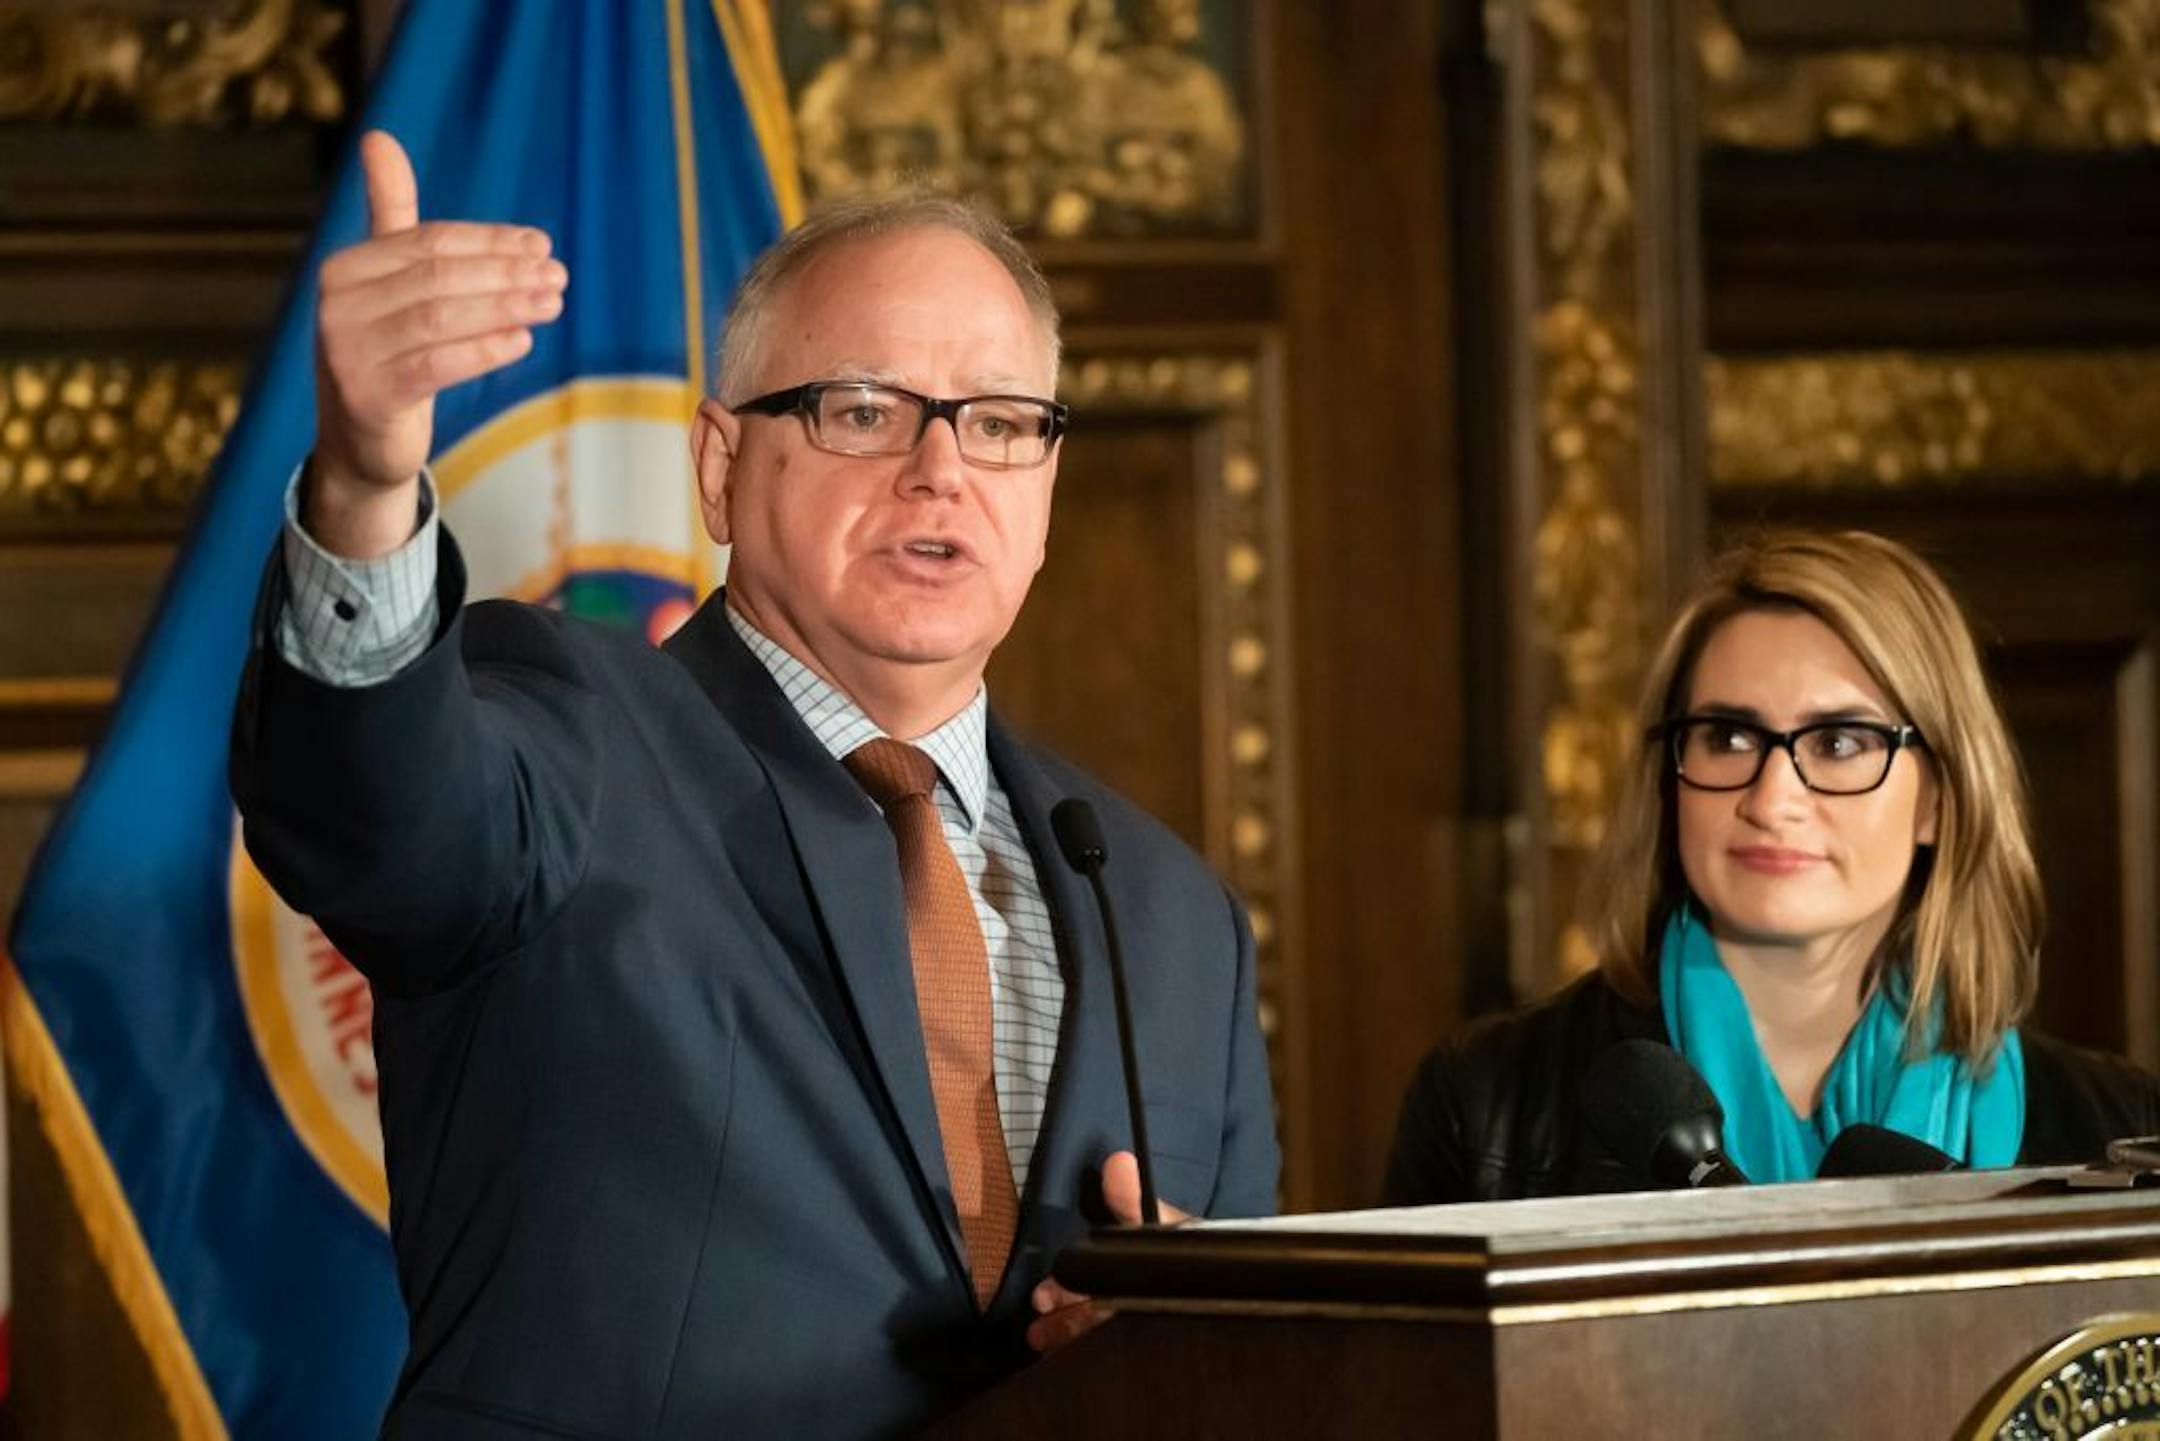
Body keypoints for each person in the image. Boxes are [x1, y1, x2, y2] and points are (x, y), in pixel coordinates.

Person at [231, 131, 1278, 1438]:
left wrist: (1186, 1344)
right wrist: (365, 487)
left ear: (1049, 486)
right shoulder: (574, 736)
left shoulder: (1173, 920)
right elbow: (376, 819)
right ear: (722, 467)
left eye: (1002, 424)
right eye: (862, 410)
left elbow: (1250, 1379)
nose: (941, 468)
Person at [1384, 529, 2160, 1205]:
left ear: (1939, 798)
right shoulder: (1481, 1102)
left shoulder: (2125, 1126)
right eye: (1727, 738)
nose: (1773, 795)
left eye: (1841, 742)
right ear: (1669, 778)